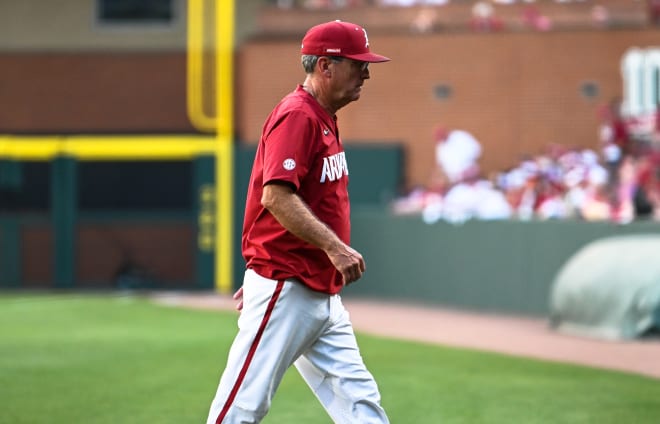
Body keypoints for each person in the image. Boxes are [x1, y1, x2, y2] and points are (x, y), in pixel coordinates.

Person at [206, 20, 391, 424]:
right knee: (241, 408)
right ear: (325, 66)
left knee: (362, 405)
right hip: (288, 285)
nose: (366, 72)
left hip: (318, 291)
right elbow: (275, 196)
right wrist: (332, 248)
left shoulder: (322, 115)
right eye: (357, 63)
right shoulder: (298, 115)